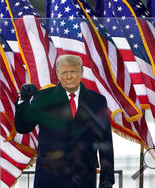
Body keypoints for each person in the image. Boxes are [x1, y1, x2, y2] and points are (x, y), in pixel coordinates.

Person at [15, 55, 114, 188]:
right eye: (64, 72)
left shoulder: (97, 101)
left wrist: (107, 179)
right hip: (49, 178)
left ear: (81, 72)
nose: (69, 77)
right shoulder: (43, 98)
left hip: (84, 178)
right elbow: (23, 127)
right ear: (57, 73)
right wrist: (24, 102)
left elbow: (104, 141)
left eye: (73, 71)